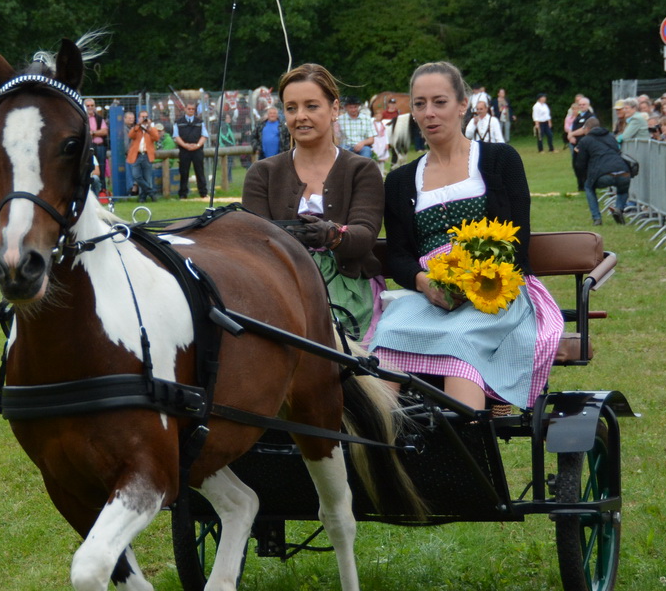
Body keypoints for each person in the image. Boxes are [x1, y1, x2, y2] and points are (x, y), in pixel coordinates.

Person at [370, 61, 563, 411]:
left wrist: (475, 280)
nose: (429, 113)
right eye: (420, 104)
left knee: (458, 338)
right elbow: (398, 256)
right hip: (429, 296)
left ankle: (468, 438)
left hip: (496, 291)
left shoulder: (500, 160)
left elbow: (517, 242)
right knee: (388, 334)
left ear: (463, 104)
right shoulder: (399, 181)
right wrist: (425, 282)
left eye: (440, 102)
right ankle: (382, 437)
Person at [242, 63, 385, 342]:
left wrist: (332, 235)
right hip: (280, 286)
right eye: (291, 108)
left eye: (311, 106)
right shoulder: (262, 173)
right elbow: (254, 243)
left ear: (334, 109)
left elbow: (365, 234)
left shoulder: (361, 169)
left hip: (348, 287)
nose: (300, 116)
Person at [572, 120, 632, 225]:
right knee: (623, 190)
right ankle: (619, 209)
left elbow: (581, 163)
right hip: (623, 170)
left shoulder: (585, 140)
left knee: (589, 187)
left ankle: (597, 218)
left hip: (603, 173)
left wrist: (577, 156)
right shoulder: (611, 136)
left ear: (587, 129)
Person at [173, 100, 209, 199]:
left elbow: (204, 135)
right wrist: (185, 145)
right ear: (185, 109)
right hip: (184, 151)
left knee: (200, 172)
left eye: (193, 109)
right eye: (189, 109)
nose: (191, 111)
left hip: (197, 151)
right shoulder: (178, 122)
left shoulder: (200, 122)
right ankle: (183, 194)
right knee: (184, 172)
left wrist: (197, 145)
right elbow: (176, 136)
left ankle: (203, 193)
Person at [125, 109, 162, 201]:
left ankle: (143, 197)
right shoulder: (136, 128)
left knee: (147, 177)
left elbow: (156, 137)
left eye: (146, 117)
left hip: (146, 155)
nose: (144, 118)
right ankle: (151, 192)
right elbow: (131, 135)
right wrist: (138, 125)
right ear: (139, 118)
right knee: (136, 175)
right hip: (136, 155)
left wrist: (148, 127)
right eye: (142, 117)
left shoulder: (152, 129)